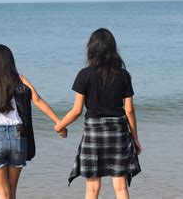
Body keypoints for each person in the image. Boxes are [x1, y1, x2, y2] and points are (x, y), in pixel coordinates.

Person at [0, 44, 66, 199]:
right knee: (11, 193)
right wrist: (59, 122)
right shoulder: (19, 79)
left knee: (2, 194)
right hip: (18, 136)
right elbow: (37, 99)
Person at [55, 28, 142, 199]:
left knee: (92, 188)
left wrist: (60, 125)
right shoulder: (123, 75)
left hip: (94, 133)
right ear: (112, 49)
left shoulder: (84, 75)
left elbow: (77, 110)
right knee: (121, 187)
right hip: (118, 133)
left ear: (91, 49)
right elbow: (129, 110)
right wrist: (135, 139)